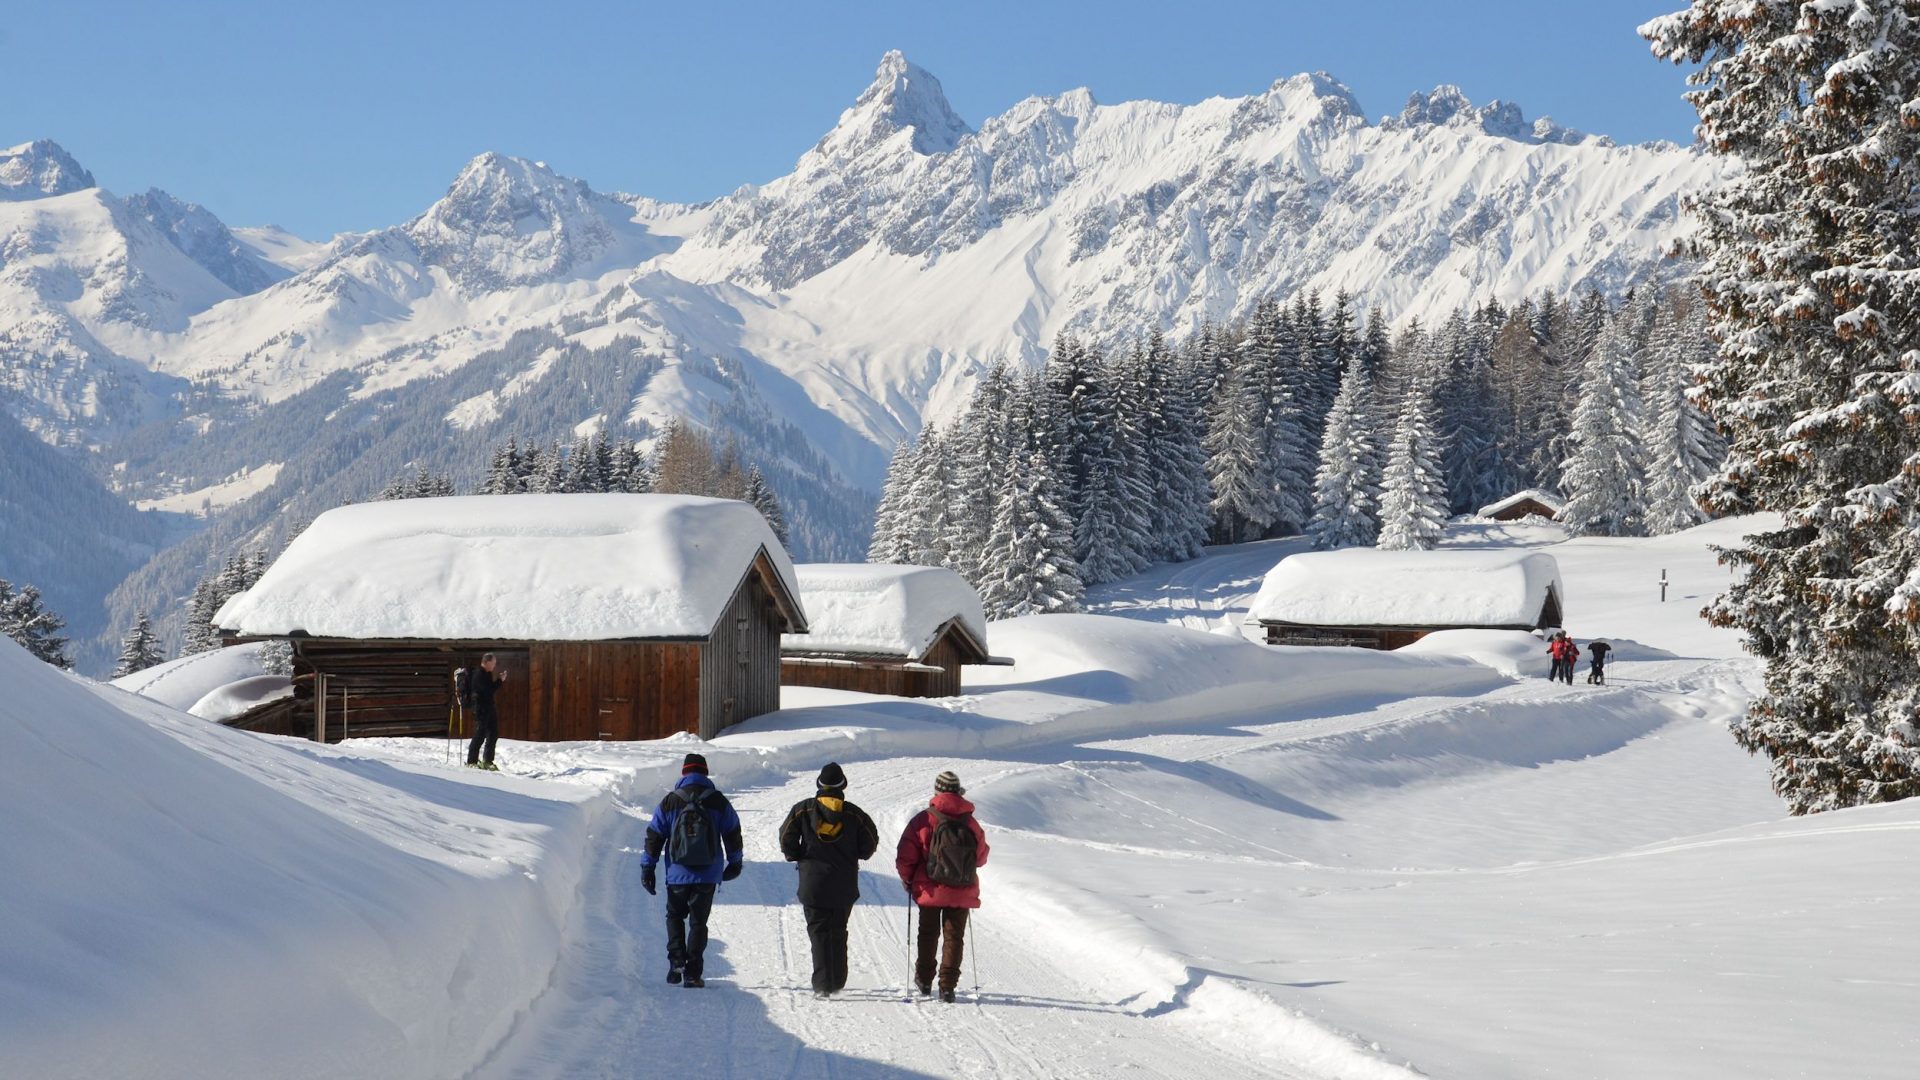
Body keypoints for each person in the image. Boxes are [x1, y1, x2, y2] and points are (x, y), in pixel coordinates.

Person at [640, 752, 744, 988]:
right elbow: (732, 832)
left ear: (684, 772)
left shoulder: (670, 801)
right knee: (699, 922)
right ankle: (693, 973)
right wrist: (735, 862)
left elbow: (654, 835)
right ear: (705, 773)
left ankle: (676, 959)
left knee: (674, 916)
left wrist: (648, 866)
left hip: (677, 872)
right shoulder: (717, 800)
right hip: (707, 873)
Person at [778, 762, 880, 999]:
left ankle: (823, 984)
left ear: (819, 785)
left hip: (812, 883)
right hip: (844, 883)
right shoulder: (855, 814)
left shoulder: (803, 810)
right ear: (842, 785)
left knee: (818, 931)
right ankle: (836, 981)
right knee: (838, 929)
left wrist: (796, 855)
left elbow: (786, 839)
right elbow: (869, 846)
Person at [895, 770, 989, 1003]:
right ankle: (947, 986)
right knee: (954, 937)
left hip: (930, 889)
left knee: (928, 934)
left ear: (937, 791)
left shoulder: (924, 819)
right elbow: (981, 857)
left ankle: (924, 980)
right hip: (962, 887)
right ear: (959, 792)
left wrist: (908, 880)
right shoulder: (971, 822)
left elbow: (905, 856)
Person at [465, 653, 505, 770]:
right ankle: (471, 761)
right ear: (487, 663)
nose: (494, 666)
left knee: (493, 733)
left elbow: (490, 689)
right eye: (493, 663)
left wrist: (498, 680)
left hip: (489, 707)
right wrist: (500, 681)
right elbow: (488, 690)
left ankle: (487, 761)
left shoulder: (487, 673)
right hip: (481, 708)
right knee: (480, 734)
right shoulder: (479, 674)